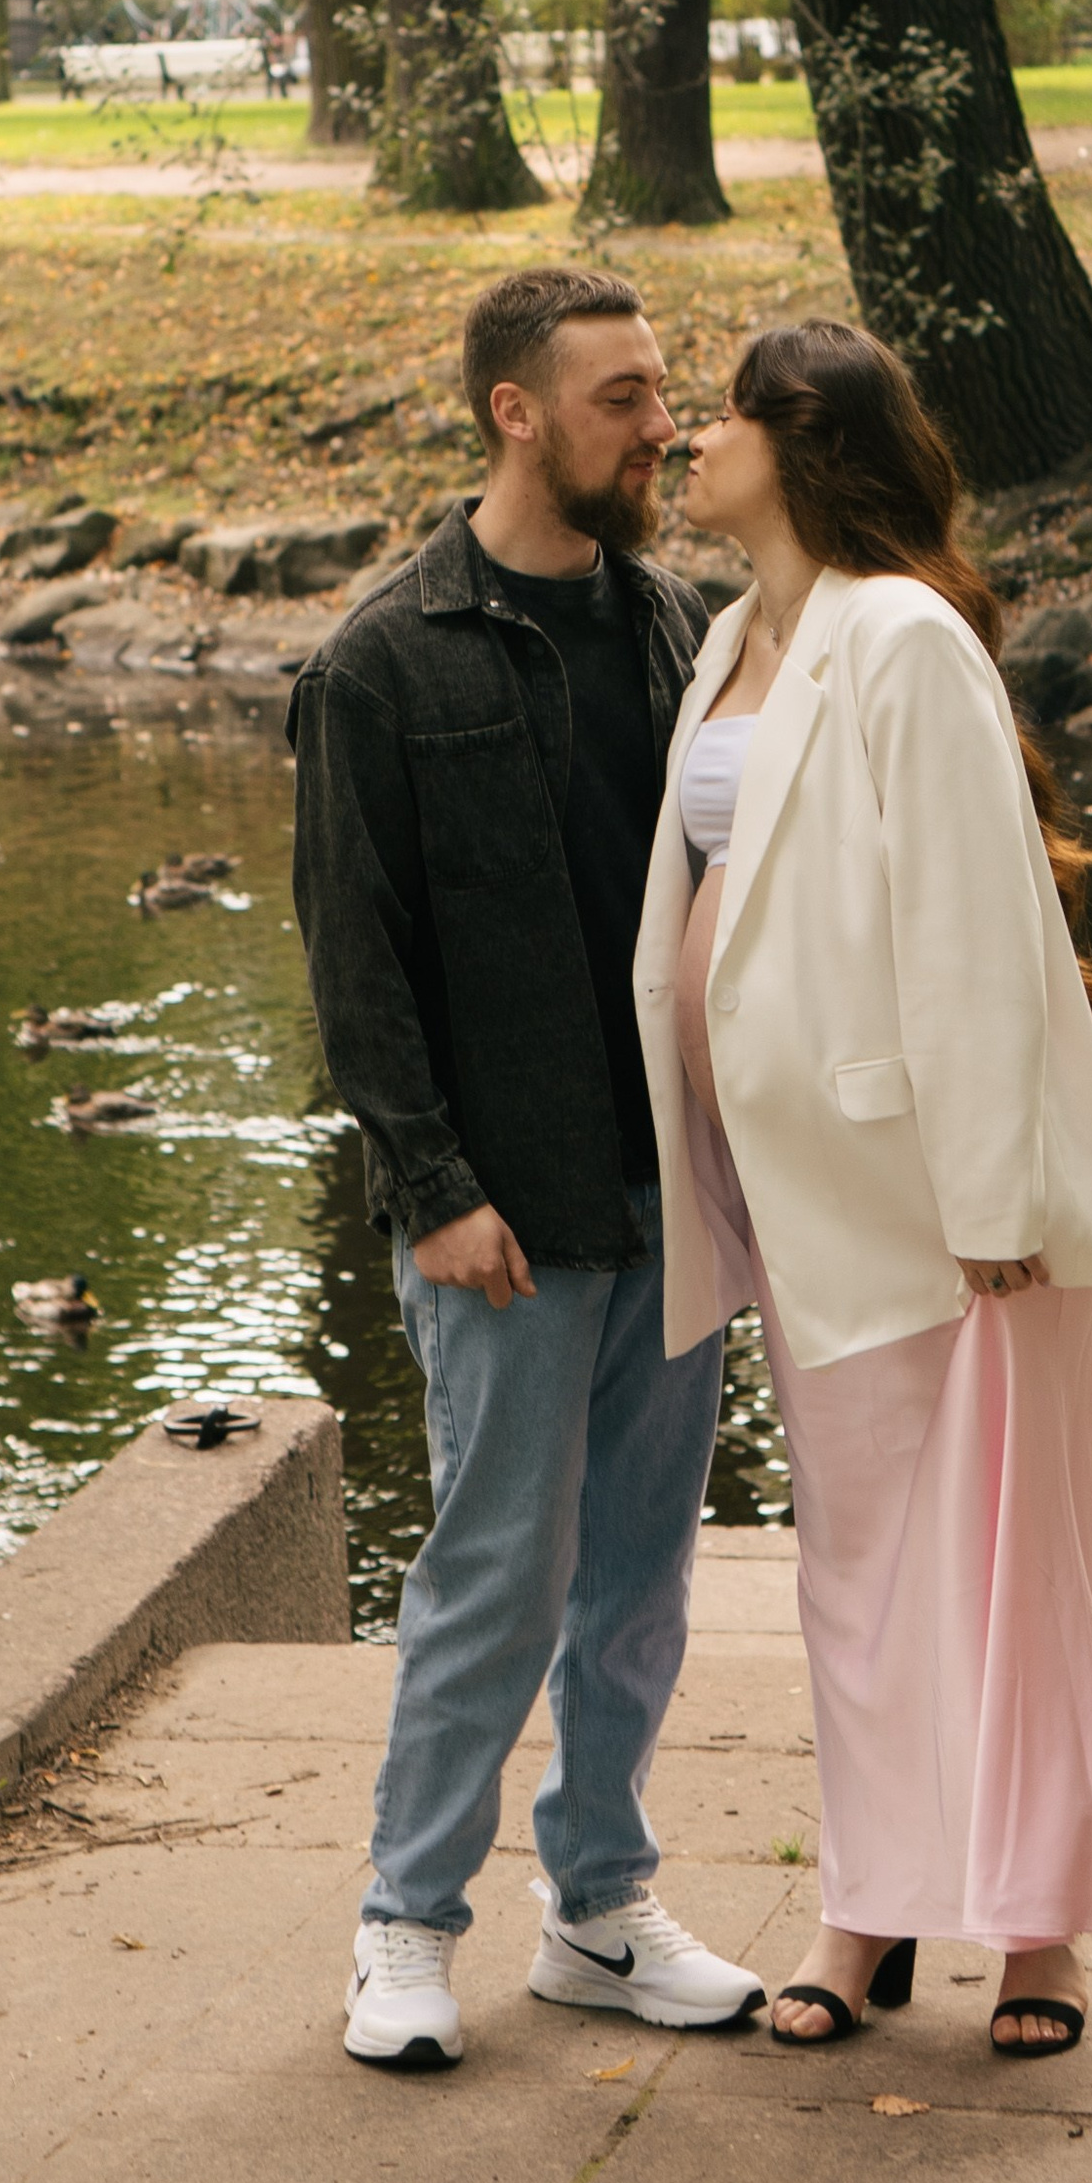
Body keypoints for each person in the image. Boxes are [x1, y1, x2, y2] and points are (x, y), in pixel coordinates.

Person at [633, 316, 1092, 2054]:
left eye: (721, 415)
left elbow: (974, 928)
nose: (691, 442)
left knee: (1011, 1571)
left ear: (801, 441)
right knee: (852, 1573)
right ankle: (870, 1907)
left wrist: (996, 1197)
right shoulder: (731, 639)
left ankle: (1040, 1941)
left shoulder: (904, 636)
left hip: (947, 1210)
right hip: (794, 1197)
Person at [289, 265, 766, 2071]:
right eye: (625, 397)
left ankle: (600, 1911)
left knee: (640, 1578)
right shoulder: (379, 663)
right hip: (502, 1216)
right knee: (496, 1572)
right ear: (515, 411)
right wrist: (434, 1190)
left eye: (661, 391)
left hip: (680, 1196)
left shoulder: (682, 632)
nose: (664, 424)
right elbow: (359, 967)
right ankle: (405, 1927)